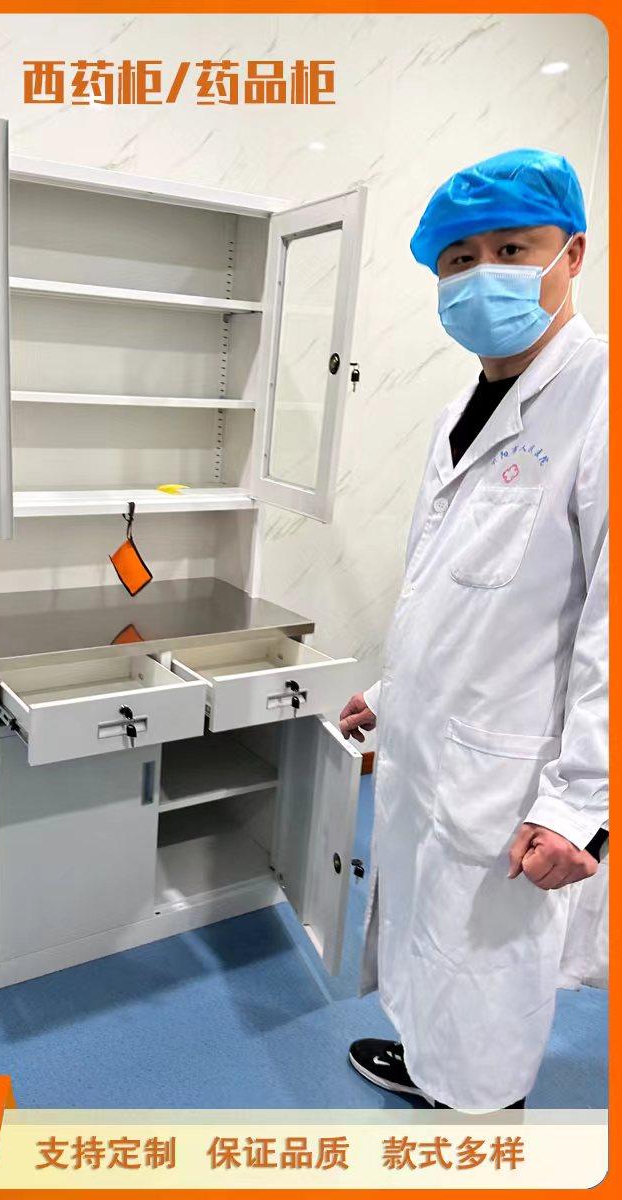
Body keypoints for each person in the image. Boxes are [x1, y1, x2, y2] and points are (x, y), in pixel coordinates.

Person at [339, 148, 608, 1112]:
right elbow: (445, 587)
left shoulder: (601, 402)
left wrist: (583, 806)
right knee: (432, 933)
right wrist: (393, 691)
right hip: (439, 742)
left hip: (515, 773)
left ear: (571, 254)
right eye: (459, 259)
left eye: (511, 248)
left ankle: (486, 1117)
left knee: (488, 962)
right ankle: (433, 1067)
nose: (481, 273)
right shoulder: (462, 406)